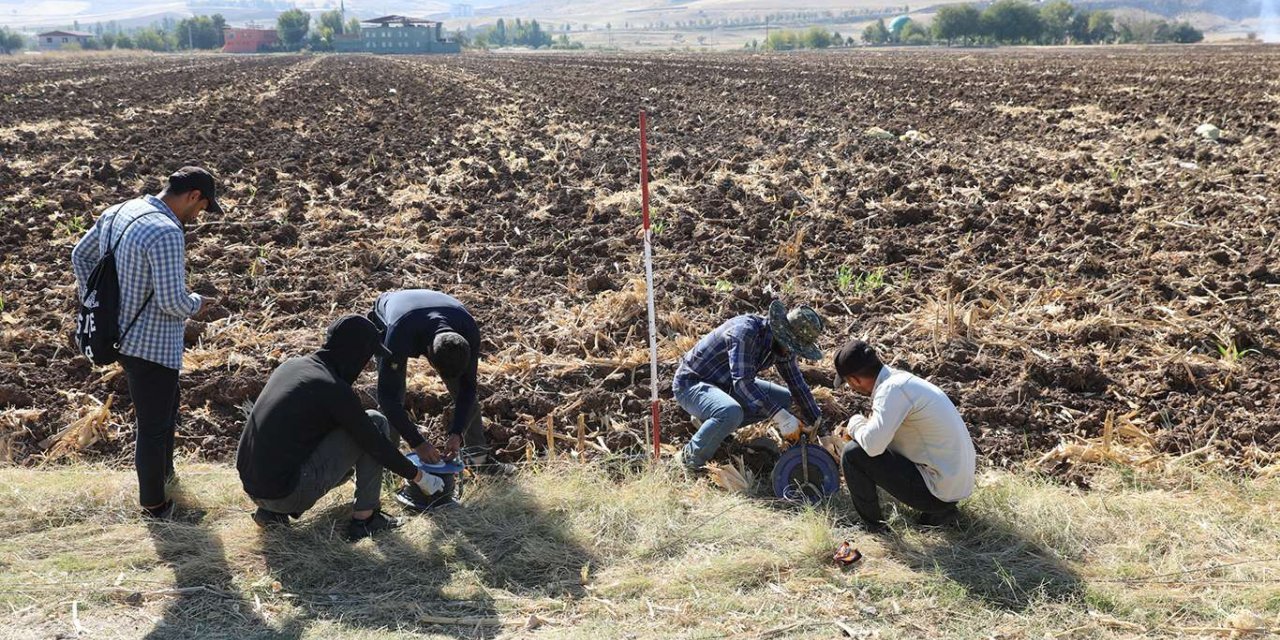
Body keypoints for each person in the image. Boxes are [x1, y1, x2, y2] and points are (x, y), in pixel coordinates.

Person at [71, 166, 222, 520]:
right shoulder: (167, 231)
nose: (199, 216)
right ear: (194, 196)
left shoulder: (120, 210)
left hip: (119, 336)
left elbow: (81, 255)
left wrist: (98, 301)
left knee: (166, 411)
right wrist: (199, 303)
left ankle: (165, 480)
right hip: (152, 344)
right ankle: (155, 505)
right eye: (202, 208)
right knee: (154, 426)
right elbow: (172, 303)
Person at [236, 315, 446, 541]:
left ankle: (271, 515)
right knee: (375, 421)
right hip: (284, 492)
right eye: (366, 356)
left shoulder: (293, 366)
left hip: (253, 485)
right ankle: (365, 519)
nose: (365, 363)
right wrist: (419, 477)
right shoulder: (332, 388)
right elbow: (374, 443)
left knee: (327, 436)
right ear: (355, 351)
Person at [367, 289, 514, 512]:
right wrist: (418, 443)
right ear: (428, 354)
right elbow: (386, 398)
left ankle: (480, 459)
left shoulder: (468, 333)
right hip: (393, 317)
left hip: (444, 314)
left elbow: (468, 388)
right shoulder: (398, 336)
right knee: (394, 396)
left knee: (464, 392)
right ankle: (388, 467)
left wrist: (456, 432)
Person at [833, 339, 976, 532]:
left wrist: (855, 423)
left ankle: (875, 529)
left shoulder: (891, 391)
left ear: (855, 380)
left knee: (853, 453)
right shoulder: (900, 381)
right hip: (953, 484)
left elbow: (873, 446)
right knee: (875, 440)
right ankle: (940, 512)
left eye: (849, 383)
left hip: (939, 491)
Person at [672, 300, 825, 473]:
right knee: (730, 412)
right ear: (781, 331)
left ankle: (711, 425)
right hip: (692, 384)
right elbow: (743, 382)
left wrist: (821, 428)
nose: (792, 351)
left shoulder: (783, 348)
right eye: (791, 346)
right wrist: (780, 416)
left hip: (726, 387)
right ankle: (688, 459)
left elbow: (798, 386)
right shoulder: (745, 332)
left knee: (783, 399)